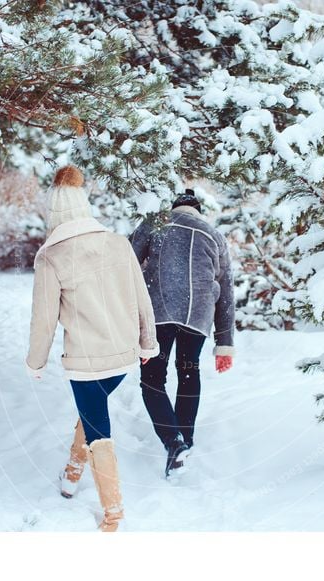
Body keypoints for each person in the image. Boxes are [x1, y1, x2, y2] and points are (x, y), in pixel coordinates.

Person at [26, 165, 159, 532]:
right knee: (93, 410)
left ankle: (113, 513)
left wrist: (35, 361)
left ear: (53, 214)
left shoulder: (50, 256)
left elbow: (44, 318)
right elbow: (141, 297)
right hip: (123, 356)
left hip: (86, 363)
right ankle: (71, 474)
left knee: (97, 424)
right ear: (84, 206)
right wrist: (148, 342)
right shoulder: (118, 242)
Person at [130, 189, 235, 477]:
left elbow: (126, 263)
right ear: (199, 210)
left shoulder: (155, 222)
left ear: (174, 206)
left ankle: (173, 442)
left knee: (152, 377)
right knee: (189, 372)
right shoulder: (214, 235)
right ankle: (185, 440)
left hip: (159, 312)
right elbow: (226, 291)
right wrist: (225, 343)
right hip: (198, 315)